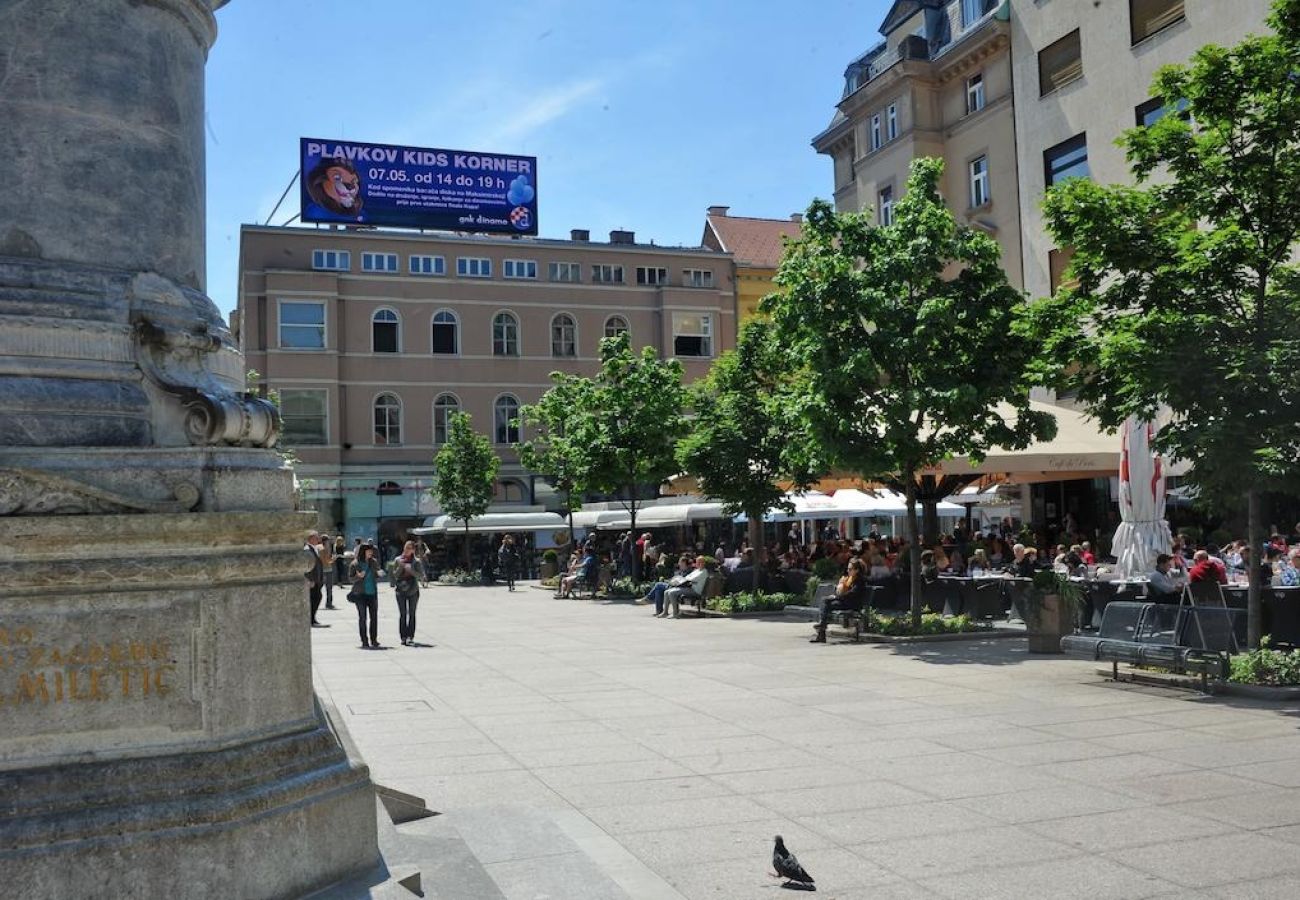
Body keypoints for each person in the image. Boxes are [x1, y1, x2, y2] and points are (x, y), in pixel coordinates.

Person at [811, 557, 868, 643]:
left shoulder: (860, 580)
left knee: (827, 603)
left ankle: (821, 631)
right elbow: (843, 592)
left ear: (857, 570)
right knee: (824, 600)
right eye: (848, 569)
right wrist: (840, 587)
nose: (848, 571)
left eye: (850, 569)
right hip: (845, 602)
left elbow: (852, 594)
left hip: (853, 604)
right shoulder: (849, 579)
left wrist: (836, 597)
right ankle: (822, 627)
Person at [349, 544, 382, 649]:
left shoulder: (374, 562)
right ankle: (364, 640)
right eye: (368, 551)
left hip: (372, 593)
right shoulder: (355, 564)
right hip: (360, 594)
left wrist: (379, 574)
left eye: (371, 551)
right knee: (362, 618)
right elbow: (350, 579)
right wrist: (357, 577)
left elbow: (377, 573)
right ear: (363, 552)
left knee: (374, 618)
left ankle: (374, 639)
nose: (371, 553)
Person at [391, 541, 421, 645]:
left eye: (409, 548)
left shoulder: (416, 561)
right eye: (405, 547)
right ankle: (403, 636)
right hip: (400, 591)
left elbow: (420, 575)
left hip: (413, 590)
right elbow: (394, 575)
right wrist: (401, 566)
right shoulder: (398, 559)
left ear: (413, 550)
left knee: (412, 614)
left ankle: (410, 636)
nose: (406, 550)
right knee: (403, 614)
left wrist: (411, 570)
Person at [303, 531, 325, 627]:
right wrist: (310, 579)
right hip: (312, 580)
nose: (318, 540)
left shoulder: (314, 548)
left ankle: (312, 618)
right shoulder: (307, 549)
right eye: (316, 538)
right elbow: (307, 566)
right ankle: (311, 619)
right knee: (315, 598)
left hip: (317, 579)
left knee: (316, 598)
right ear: (311, 539)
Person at [318, 534, 336, 609]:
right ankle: (329, 603)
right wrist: (333, 559)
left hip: (320, 570)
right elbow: (326, 561)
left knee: (318, 588)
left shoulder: (318, 547)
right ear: (326, 541)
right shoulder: (324, 548)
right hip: (327, 570)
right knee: (329, 588)